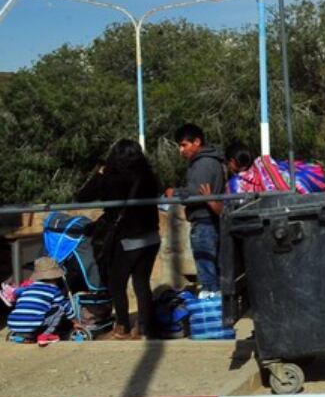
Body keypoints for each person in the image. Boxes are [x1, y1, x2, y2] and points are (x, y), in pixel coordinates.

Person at [79, 140, 162, 340]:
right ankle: (143, 327)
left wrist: (99, 174)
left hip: (127, 239)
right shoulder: (148, 176)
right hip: (151, 237)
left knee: (117, 283)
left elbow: (82, 197)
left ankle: (123, 325)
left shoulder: (111, 177)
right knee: (142, 283)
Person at [165, 123, 227, 296]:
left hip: (204, 220)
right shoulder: (211, 161)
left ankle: (211, 302)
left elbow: (196, 192)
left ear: (197, 142)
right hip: (209, 219)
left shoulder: (203, 164)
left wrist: (174, 193)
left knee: (206, 266)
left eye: (184, 145)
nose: (181, 150)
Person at [7, 257, 76, 344]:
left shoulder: (27, 287)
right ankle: (45, 336)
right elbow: (65, 306)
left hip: (13, 323)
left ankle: (22, 335)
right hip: (33, 323)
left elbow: (16, 294)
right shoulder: (53, 290)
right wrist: (75, 321)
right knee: (60, 308)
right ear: (56, 277)